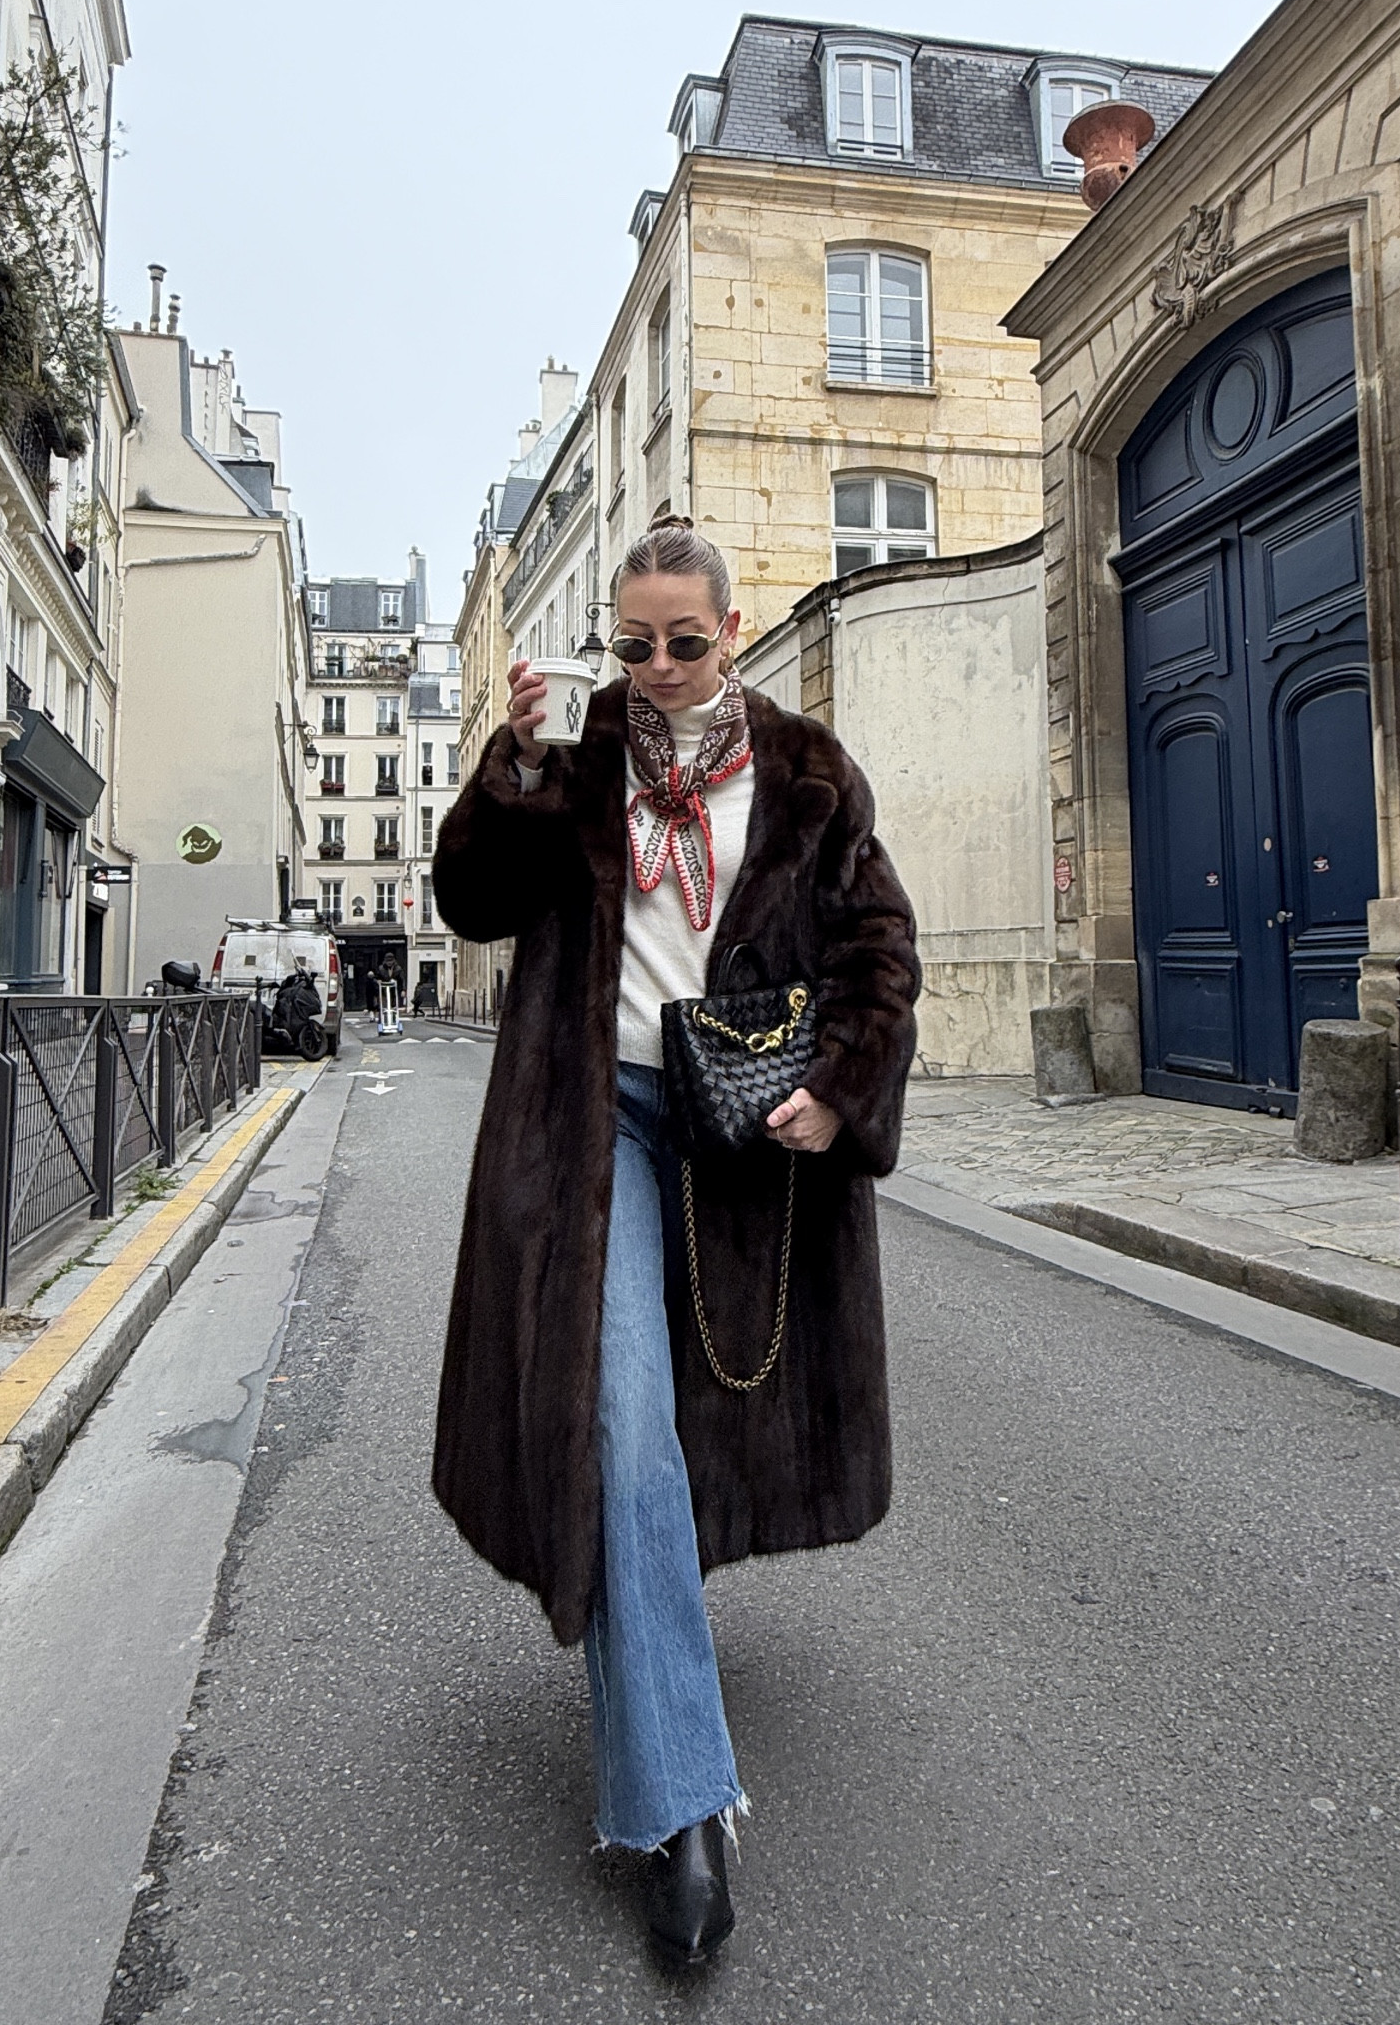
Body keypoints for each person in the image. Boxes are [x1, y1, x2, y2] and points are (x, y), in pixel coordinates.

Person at [430, 515, 920, 1966]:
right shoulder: (571, 766)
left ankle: (649, 1638)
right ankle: (680, 1811)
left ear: (731, 628)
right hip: (592, 1131)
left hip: (743, 1128)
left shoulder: (811, 773)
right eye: (632, 643)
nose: (655, 669)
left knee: (689, 1420)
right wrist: (505, 770)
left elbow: (880, 952)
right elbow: (472, 903)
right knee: (629, 1426)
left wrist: (840, 1087)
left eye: (684, 643)